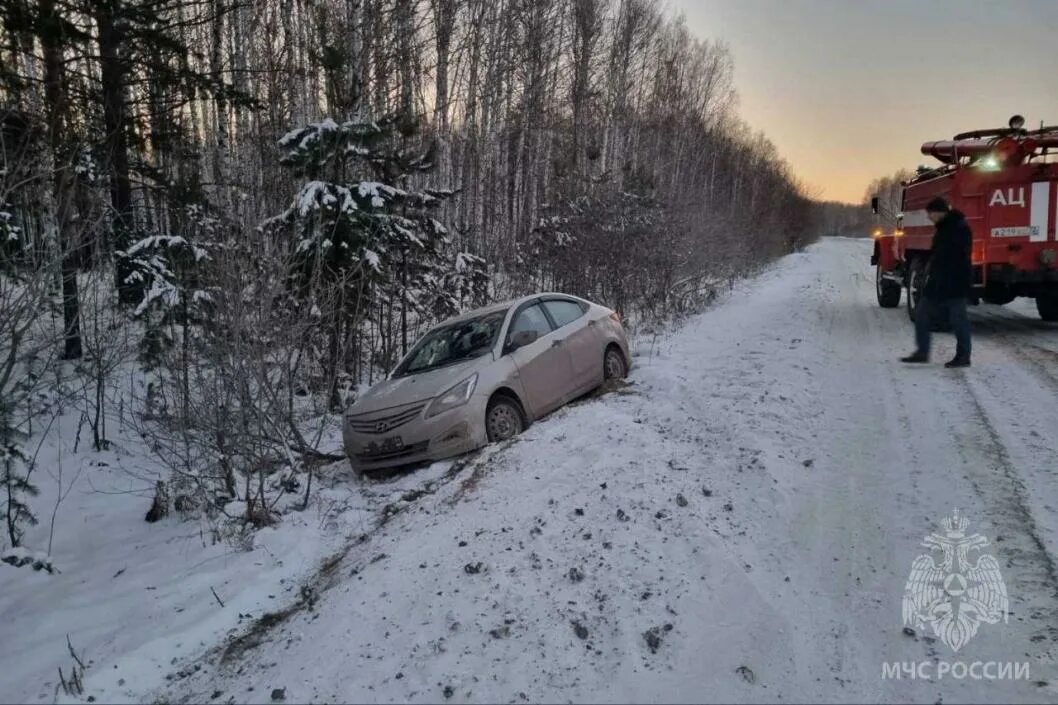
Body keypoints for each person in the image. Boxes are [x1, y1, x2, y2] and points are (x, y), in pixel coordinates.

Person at [900, 196, 973, 368]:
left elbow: (956, 257)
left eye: (930, 213)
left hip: (955, 282)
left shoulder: (958, 228)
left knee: (958, 320)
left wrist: (945, 275)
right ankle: (922, 352)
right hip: (938, 281)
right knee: (922, 314)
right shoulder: (943, 228)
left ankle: (963, 356)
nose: (928, 217)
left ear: (939, 212)